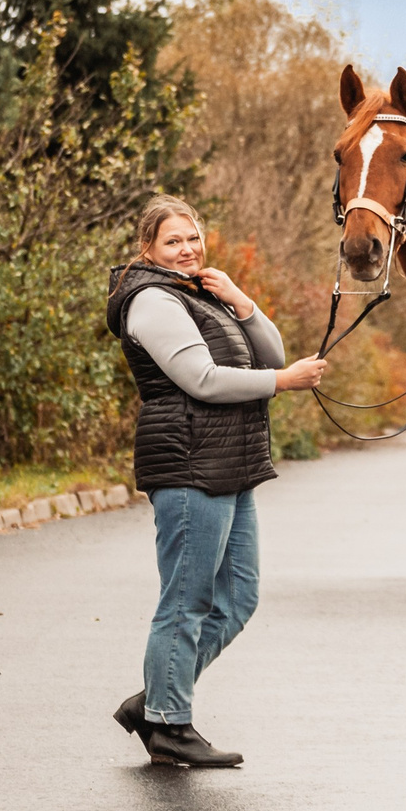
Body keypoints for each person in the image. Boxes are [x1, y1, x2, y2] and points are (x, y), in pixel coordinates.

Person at [105, 196, 327, 767]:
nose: (187, 249)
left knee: (239, 597)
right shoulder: (152, 300)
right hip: (187, 463)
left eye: (193, 238)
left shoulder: (202, 295)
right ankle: (170, 724)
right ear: (148, 249)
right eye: (173, 241)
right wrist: (281, 381)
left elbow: (268, 351)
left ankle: (156, 702)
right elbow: (201, 380)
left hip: (229, 462)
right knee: (187, 599)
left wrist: (242, 301)